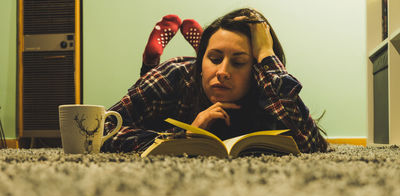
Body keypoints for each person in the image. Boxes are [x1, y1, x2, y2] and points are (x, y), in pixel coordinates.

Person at [101, 8, 328, 153]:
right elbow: (100, 130)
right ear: (200, 65)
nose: (222, 72)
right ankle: (151, 63)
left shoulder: (267, 87)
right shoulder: (174, 74)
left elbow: (312, 145)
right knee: (150, 77)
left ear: (257, 70)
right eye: (215, 58)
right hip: (171, 92)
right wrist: (181, 138)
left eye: (238, 62)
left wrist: (267, 56)